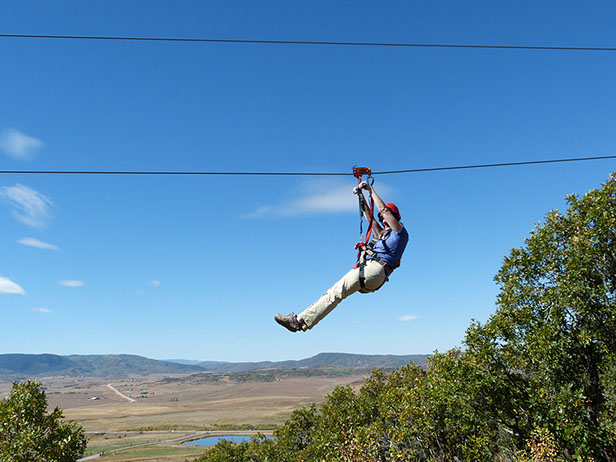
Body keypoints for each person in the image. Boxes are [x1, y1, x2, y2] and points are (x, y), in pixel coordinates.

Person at [274, 181, 409, 332]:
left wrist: (370, 190)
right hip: (372, 273)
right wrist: (361, 195)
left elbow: (384, 210)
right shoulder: (383, 235)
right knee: (333, 292)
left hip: (375, 271)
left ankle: (299, 321)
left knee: (335, 292)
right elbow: (369, 216)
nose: (383, 221)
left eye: (386, 218)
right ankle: (301, 320)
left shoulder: (400, 233)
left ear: (395, 217)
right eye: (382, 219)